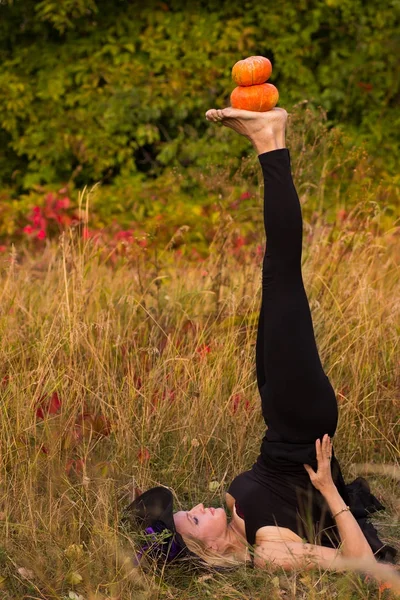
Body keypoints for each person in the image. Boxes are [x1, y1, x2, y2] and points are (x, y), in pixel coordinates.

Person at [122, 106, 397, 573]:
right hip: (302, 420)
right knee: (283, 270)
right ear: (207, 551)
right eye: (193, 520)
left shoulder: (236, 510)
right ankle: (270, 139)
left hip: (279, 417)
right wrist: (330, 490)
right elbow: (364, 566)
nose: (199, 507)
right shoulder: (271, 552)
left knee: (274, 271)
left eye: (188, 509)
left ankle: (265, 138)